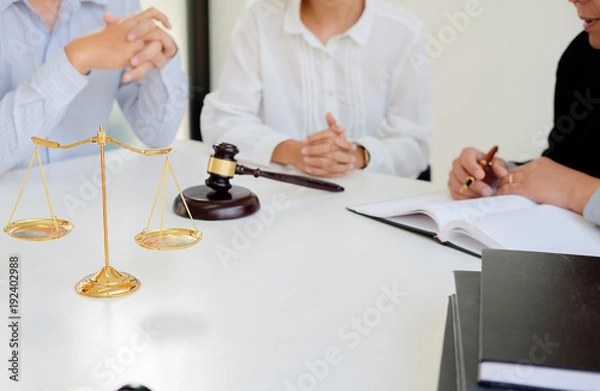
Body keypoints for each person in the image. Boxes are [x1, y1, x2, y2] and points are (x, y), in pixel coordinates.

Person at [201, 0, 433, 178]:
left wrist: (358, 156)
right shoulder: (260, 17)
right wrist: (295, 152)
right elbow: (225, 121)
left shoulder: (404, 32)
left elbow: (413, 143)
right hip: (277, 207)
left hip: (371, 211)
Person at [448, 0, 600, 225]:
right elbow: (563, 164)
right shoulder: (583, 54)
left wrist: (578, 190)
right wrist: (502, 177)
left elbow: (568, 181)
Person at [0, 0, 188, 174]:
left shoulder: (118, 5)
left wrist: (160, 61)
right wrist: (77, 57)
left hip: (90, 201)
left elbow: (158, 136)